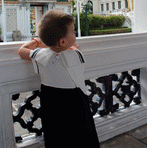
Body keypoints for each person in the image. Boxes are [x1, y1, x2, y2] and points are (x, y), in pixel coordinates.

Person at [18, 10, 100, 148]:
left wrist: (36, 42)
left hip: (52, 105)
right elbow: (73, 49)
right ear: (62, 41)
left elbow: (22, 51)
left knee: (57, 138)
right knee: (83, 139)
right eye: (73, 33)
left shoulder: (41, 56)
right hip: (75, 104)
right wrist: (71, 46)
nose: (75, 35)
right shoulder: (76, 56)